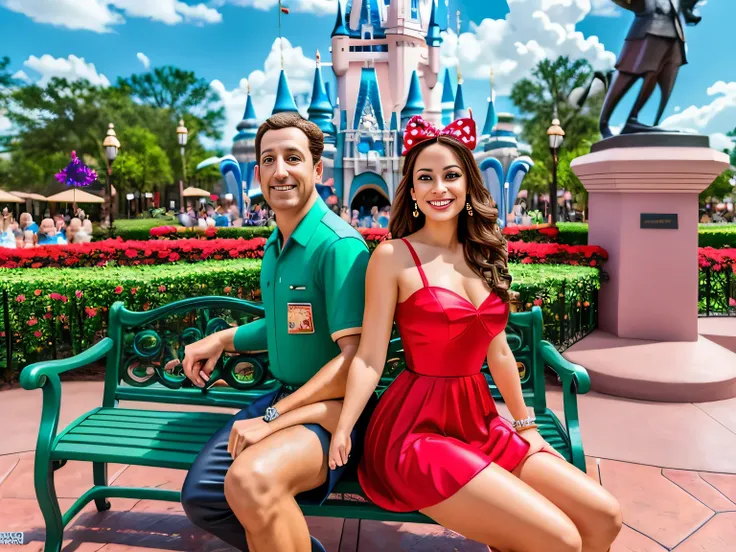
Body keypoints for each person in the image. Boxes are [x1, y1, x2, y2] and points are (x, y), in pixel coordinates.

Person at [328, 115, 623, 552]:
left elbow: (499, 351)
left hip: (479, 421)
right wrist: (345, 426)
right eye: (425, 177)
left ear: (468, 184)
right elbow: (370, 357)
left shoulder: (485, 252)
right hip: (416, 432)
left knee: (605, 518)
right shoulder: (392, 257)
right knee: (560, 539)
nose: (438, 188)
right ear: (411, 191)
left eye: (451, 175)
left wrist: (526, 427)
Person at [179, 112, 371, 552]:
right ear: (257, 172)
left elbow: (354, 361)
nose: (279, 171)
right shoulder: (277, 242)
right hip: (283, 397)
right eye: (268, 160)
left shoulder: (338, 246)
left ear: (317, 170)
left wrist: (272, 419)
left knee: (252, 482)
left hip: (334, 413)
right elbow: (289, 323)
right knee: (204, 498)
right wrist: (225, 339)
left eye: (292, 158)